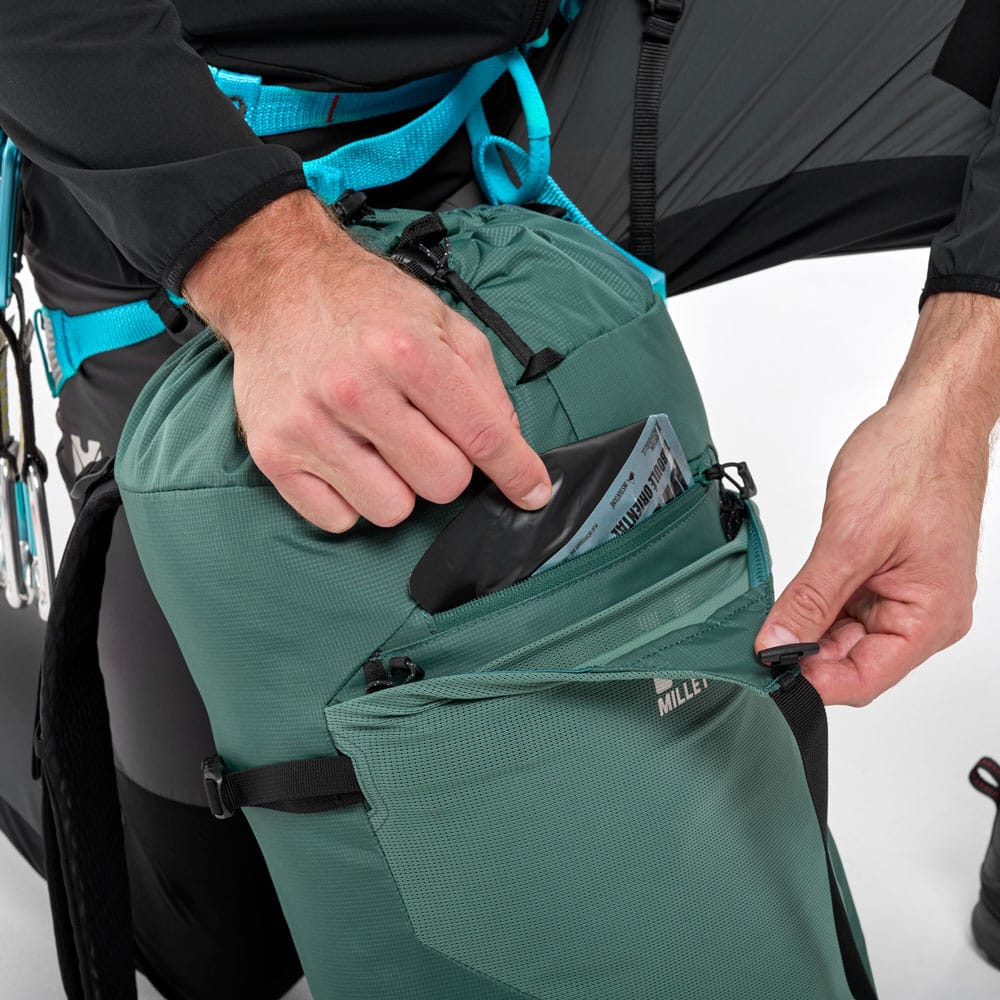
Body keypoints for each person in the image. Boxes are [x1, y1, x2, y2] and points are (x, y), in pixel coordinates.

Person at [1, 1, 1000, 997]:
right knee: (216, 940)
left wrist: (957, 387)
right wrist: (261, 264)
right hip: (178, 123)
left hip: (527, 78)